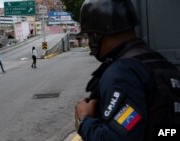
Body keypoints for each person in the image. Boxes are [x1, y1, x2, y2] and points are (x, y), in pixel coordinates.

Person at [75, 0, 180, 141]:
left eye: (90, 35)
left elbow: (117, 138)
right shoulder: (160, 62)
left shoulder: (122, 75)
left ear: (97, 35)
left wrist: (85, 120)